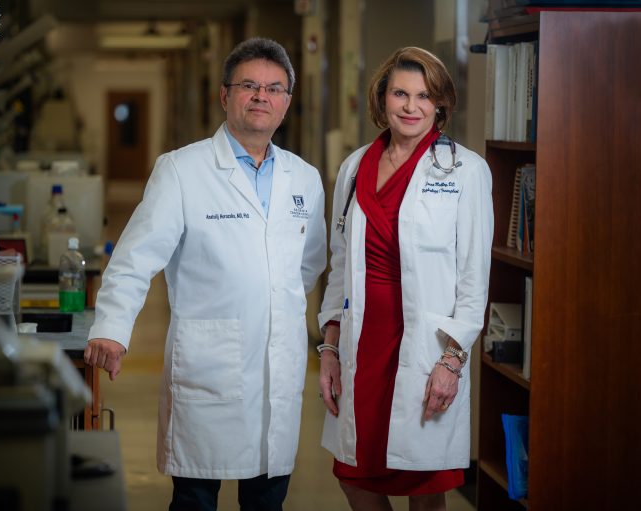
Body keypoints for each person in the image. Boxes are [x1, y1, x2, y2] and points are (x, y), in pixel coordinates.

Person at [84, 37, 326, 511]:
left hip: (278, 362)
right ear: (224, 96)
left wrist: (268, 294)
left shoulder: (305, 178)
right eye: (249, 86)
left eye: (275, 89)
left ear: (287, 104)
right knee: (195, 497)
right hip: (207, 362)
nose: (262, 96)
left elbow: (308, 262)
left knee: (268, 498)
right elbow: (135, 258)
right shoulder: (181, 170)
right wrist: (112, 329)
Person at [316, 47, 493, 511]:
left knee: (425, 484)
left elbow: (475, 281)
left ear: (440, 105)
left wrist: (452, 361)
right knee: (355, 474)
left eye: (424, 96)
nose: (411, 106)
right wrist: (330, 348)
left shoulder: (466, 171)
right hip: (364, 343)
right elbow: (339, 266)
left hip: (425, 348)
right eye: (400, 93)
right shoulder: (354, 168)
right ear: (383, 97)